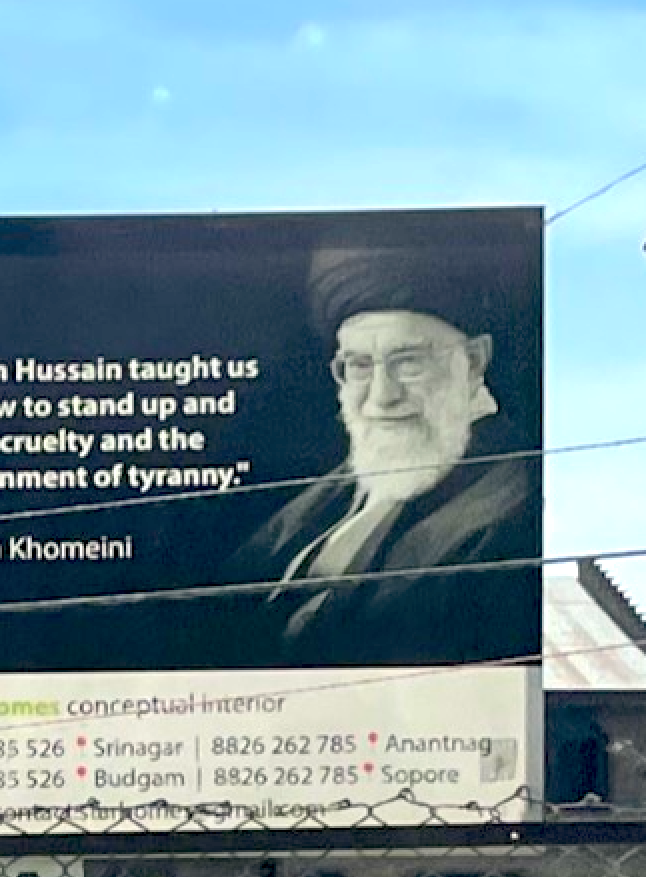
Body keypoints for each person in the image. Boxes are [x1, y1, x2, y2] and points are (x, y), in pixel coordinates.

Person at [229, 244, 537, 668]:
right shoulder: (346, 486)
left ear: (474, 360)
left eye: (408, 362)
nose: (381, 397)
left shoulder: (512, 512)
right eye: (358, 366)